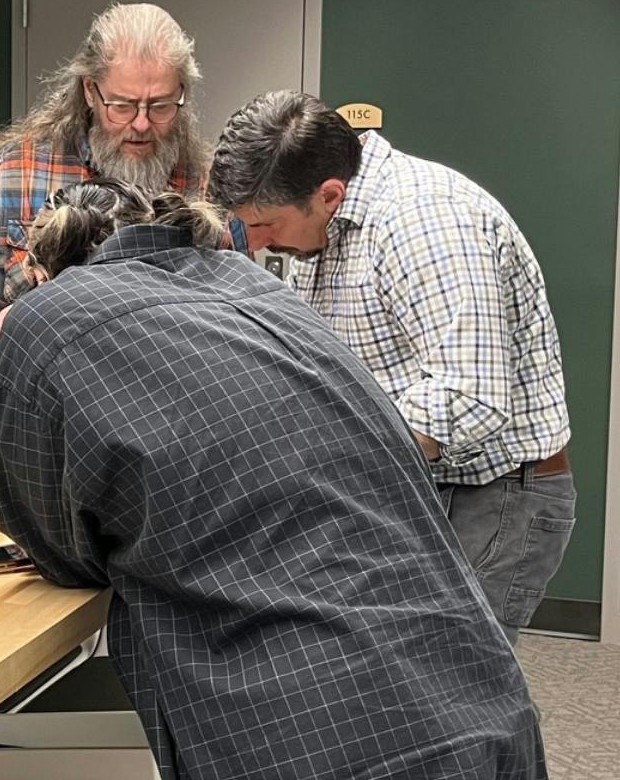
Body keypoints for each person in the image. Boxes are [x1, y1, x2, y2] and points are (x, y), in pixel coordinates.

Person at [0, 179, 546, 780]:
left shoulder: (47, 316)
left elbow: (56, 546)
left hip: (308, 732)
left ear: (49, 267)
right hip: (478, 695)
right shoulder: (256, 286)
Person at [211, 91, 574, 642]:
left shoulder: (425, 222)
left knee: (452, 688)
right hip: (421, 485)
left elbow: (469, 393)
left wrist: (341, 462)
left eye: (264, 225)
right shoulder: (323, 233)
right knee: (394, 692)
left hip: (494, 495)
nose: (257, 245)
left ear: (329, 194)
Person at [0, 2, 212, 375]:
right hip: (25, 417)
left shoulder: (201, 188)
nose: (141, 124)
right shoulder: (12, 178)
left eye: (159, 106)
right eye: (122, 106)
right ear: (90, 90)